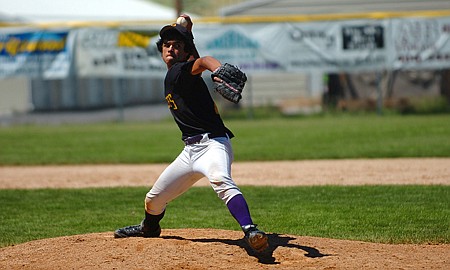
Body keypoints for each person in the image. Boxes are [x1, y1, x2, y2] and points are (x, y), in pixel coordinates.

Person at [114, 21, 269, 253]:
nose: (170, 49)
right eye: (166, 45)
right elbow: (195, 57)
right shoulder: (181, 71)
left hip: (213, 144)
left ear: (184, 52)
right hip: (190, 151)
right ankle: (149, 227)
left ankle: (251, 230)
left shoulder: (180, 71)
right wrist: (189, 32)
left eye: (177, 46)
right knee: (153, 199)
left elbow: (203, 60)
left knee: (221, 181)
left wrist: (216, 70)